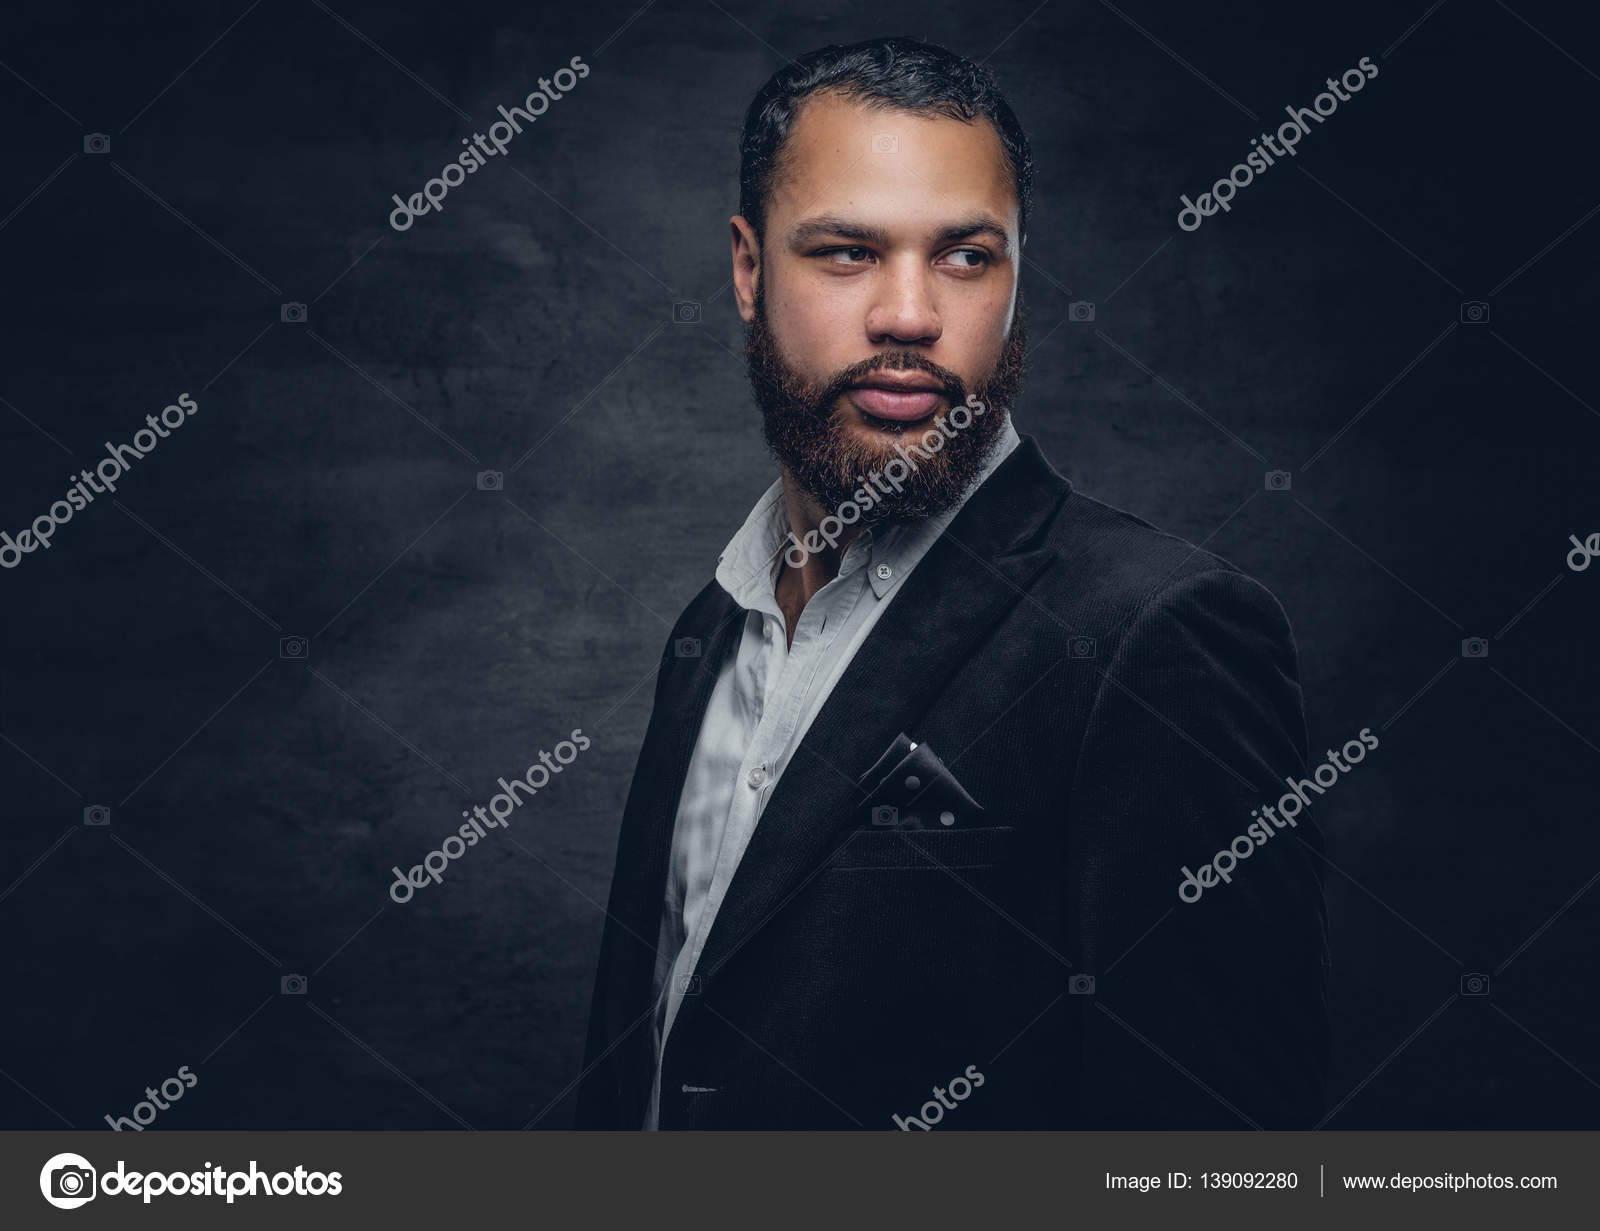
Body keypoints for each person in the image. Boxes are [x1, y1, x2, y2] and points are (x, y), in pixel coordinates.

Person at [576, 35, 1329, 1130]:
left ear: (1017, 279)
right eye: (845, 253)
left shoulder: (1158, 634)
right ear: (747, 271)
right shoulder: (711, 630)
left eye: (967, 257)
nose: (910, 316)